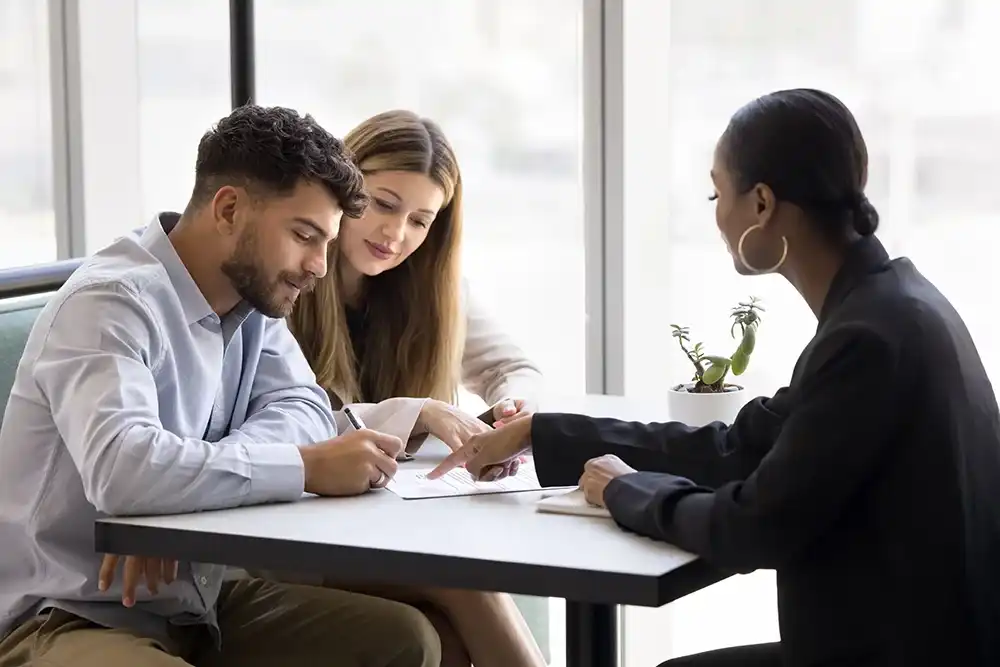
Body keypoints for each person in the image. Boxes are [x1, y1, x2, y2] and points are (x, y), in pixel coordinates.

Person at [429, 89, 1000, 666]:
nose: (716, 216)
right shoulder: (892, 306)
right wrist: (541, 433)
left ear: (761, 204)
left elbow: (753, 526)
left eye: (716, 192)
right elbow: (737, 448)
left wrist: (626, 490)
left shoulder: (868, 339)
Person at [0, 105, 442, 667]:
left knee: (405, 640)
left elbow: (305, 406)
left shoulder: (253, 298)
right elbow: (124, 469)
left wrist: (173, 510)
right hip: (65, 613)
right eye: (305, 235)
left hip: (193, 602)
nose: (320, 266)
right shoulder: (111, 303)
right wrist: (305, 468)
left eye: (327, 242)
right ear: (229, 208)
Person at [285, 109, 546, 667]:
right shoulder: (287, 280)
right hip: (293, 537)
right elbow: (289, 430)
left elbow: (516, 368)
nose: (395, 235)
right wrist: (417, 412)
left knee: (446, 644)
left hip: (387, 530)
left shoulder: (434, 291)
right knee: (468, 586)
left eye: (420, 221)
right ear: (341, 185)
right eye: (383, 204)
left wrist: (513, 409)